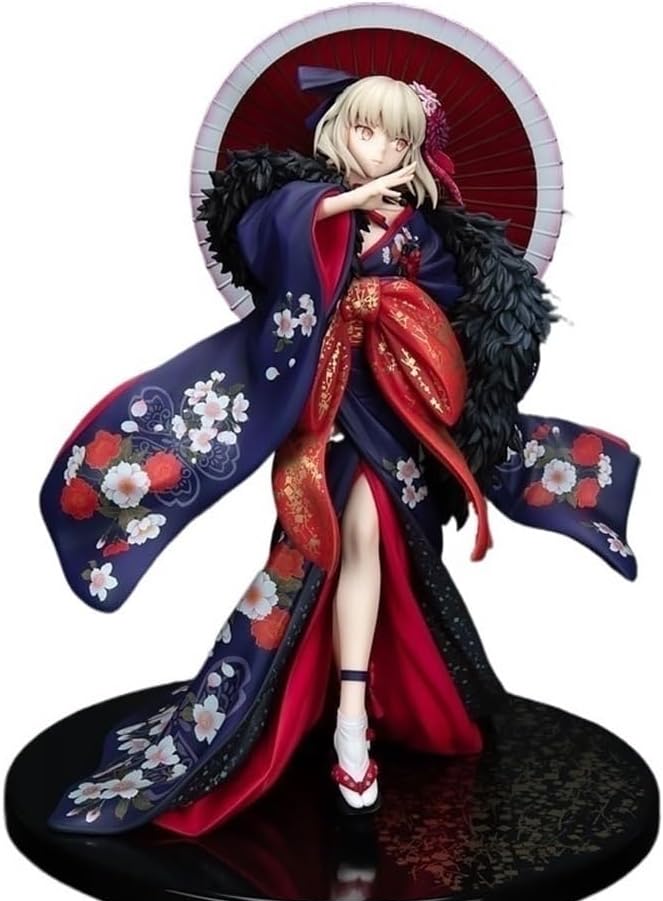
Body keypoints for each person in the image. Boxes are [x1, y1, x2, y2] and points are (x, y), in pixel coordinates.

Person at [40, 72, 639, 836]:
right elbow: (268, 236)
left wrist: (401, 311)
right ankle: (348, 720)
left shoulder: (421, 233)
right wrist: (338, 211)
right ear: (335, 130)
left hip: (395, 414)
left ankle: (353, 708)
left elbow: (453, 317)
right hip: (325, 413)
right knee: (348, 542)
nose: (379, 147)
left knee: (374, 548)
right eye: (365, 129)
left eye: (397, 137)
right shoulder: (306, 204)